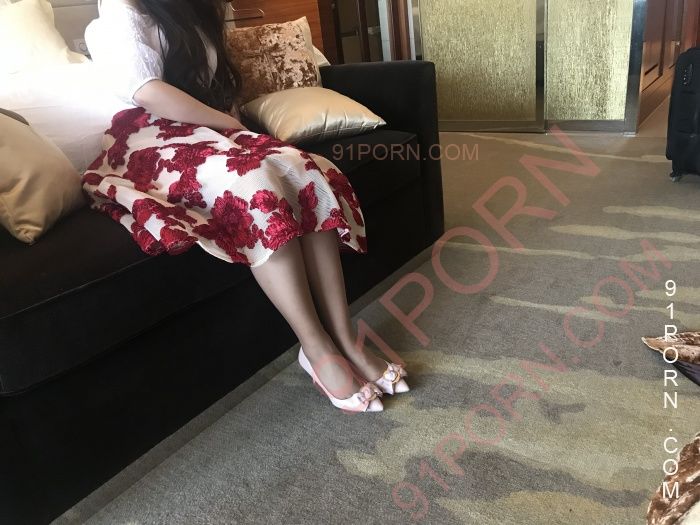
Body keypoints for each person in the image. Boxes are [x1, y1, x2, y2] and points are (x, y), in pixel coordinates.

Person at [83, 0, 408, 413]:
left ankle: (345, 336)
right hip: (146, 141)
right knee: (253, 184)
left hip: (206, 130)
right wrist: (230, 125)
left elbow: (212, 86)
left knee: (304, 168)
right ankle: (316, 348)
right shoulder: (118, 11)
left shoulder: (192, 10)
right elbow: (147, 92)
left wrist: (231, 124)